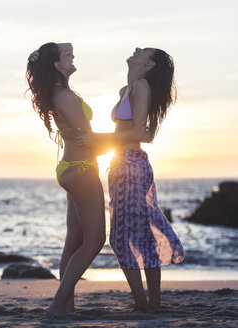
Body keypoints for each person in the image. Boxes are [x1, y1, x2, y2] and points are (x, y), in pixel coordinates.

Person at [75, 47, 185, 312]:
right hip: (121, 164)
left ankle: (145, 305)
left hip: (131, 166)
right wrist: (97, 147)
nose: (136, 49)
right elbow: (129, 132)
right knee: (135, 235)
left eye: (143, 50)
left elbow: (139, 131)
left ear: (149, 63)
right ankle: (150, 305)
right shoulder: (127, 90)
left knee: (125, 237)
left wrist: (96, 139)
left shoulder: (143, 86)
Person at [26, 42, 106, 315]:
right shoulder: (64, 96)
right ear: (56, 65)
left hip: (72, 168)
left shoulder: (62, 92)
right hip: (82, 169)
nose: (72, 56)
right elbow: (90, 140)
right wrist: (128, 140)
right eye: (67, 56)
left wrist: (59, 52)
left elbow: (85, 138)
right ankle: (58, 304)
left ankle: (66, 307)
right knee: (95, 241)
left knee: (74, 241)